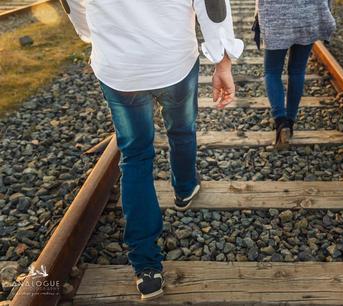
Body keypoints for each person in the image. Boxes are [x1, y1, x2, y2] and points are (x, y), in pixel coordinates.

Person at [60, 0, 243, 300]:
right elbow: (212, 5)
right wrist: (223, 61)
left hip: (119, 69)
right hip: (173, 61)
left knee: (134, 156)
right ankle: (185, 188)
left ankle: (146, 267)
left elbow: (75, 8)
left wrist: (96, 34)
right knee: (182, 129)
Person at [255, 0, 335, 145]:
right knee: (297, 71)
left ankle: (281, 121)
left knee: (272, 72)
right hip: (308, 17)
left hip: (276, 19)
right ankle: (290, 121)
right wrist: (327, 13)